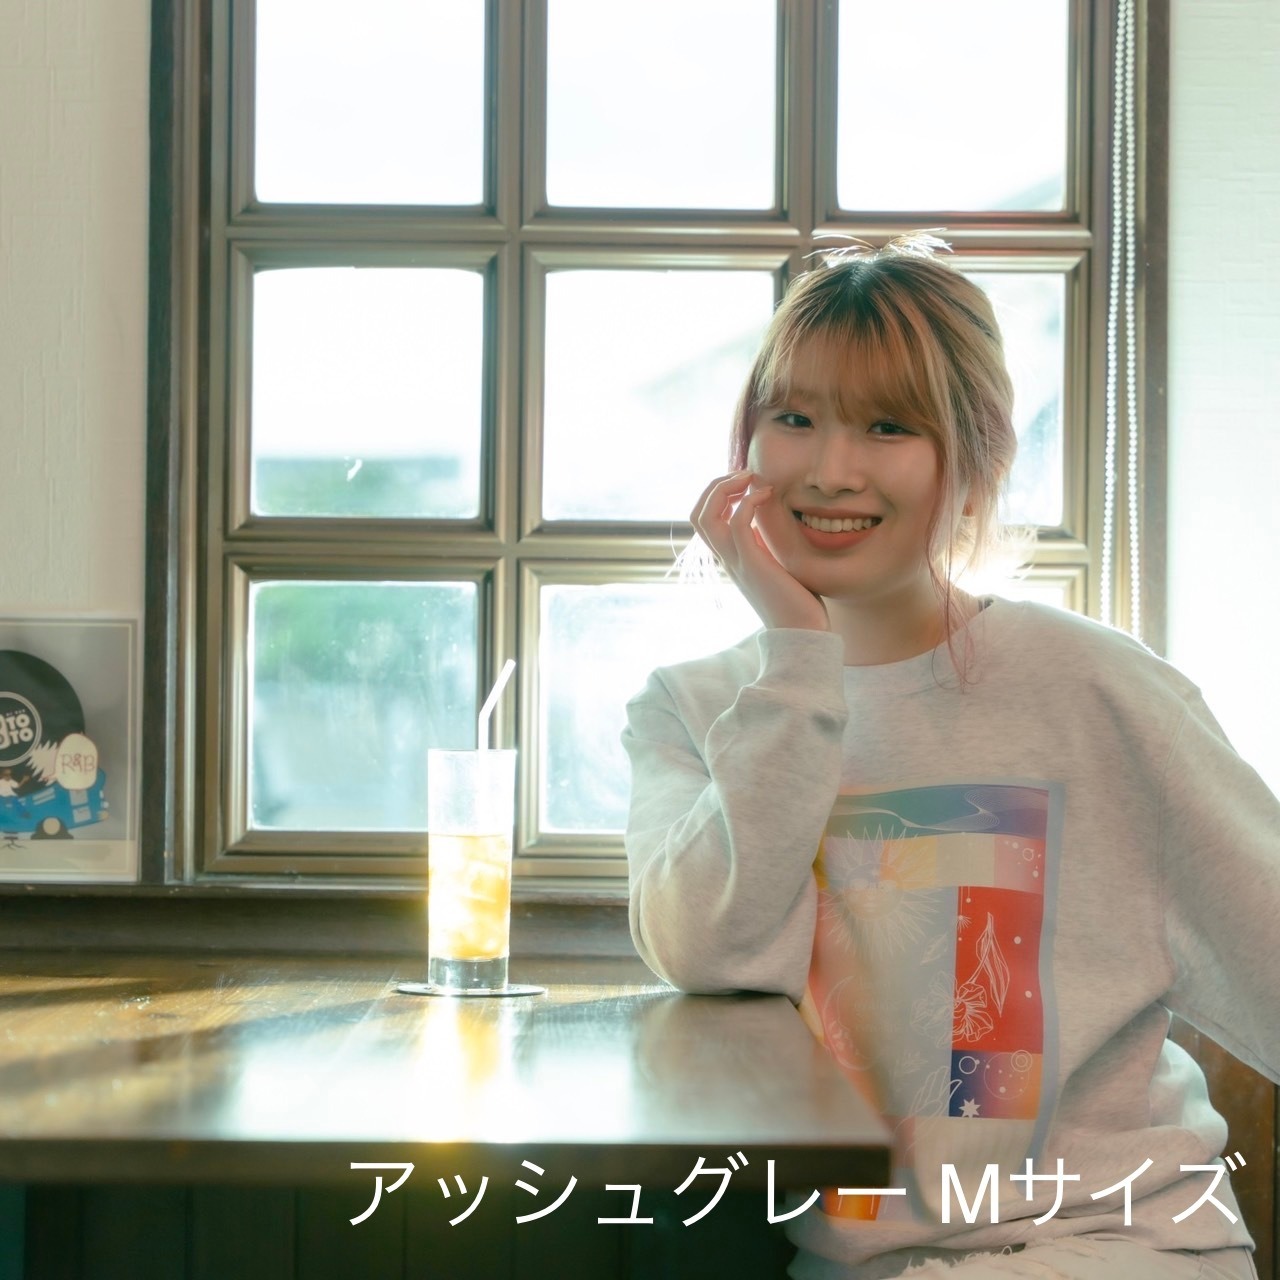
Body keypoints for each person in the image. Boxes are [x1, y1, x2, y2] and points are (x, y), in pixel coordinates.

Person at [621, 236, 1279, 1279]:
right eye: (794, 418)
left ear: (972, 455)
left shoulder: (1101, 690)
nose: (830, 469)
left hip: (1119, 1243)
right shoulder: (691, 709)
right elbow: (707, 947)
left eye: (888, 426)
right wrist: (798, 657)